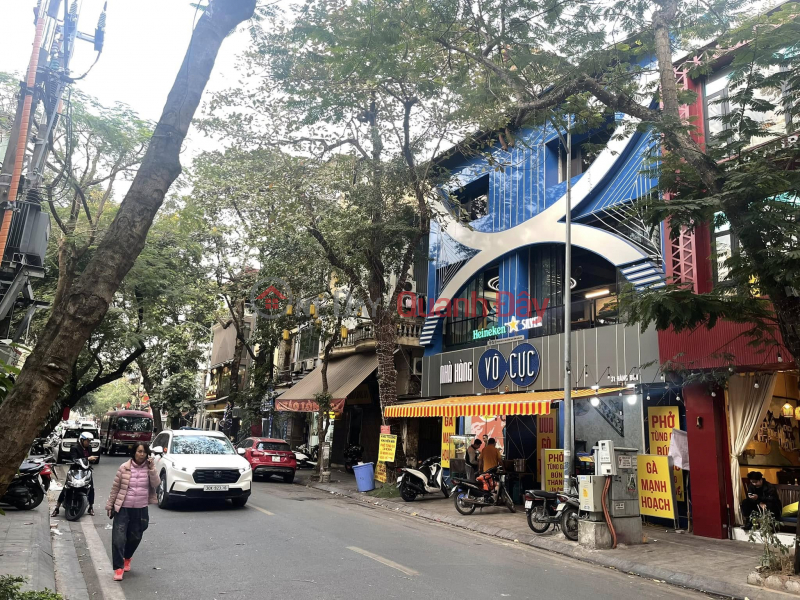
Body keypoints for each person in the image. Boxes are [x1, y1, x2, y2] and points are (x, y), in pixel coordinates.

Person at [105, 443, 160, 581]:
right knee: (118, 539)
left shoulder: (149, 469)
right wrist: (110, 505)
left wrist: (152, 468)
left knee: (136, 536)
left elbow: (156, 484)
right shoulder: (124, 468)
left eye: (144, 452)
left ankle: (127, 557)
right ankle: (118, 568)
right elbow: (115, 488)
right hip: (123, 508)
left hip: (140, 509)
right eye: (139, 451)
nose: (141, 454)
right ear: (134, 452)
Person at [52, 431, 98, 517]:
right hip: (75, 470)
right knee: (66, 487)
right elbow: (74, 459)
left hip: (86, 471)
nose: (88, 443)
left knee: (91, 488)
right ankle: (57, 508)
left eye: (89, 441)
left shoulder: (89, 448)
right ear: (81, 440)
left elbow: (88, 461)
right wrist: (88, 458)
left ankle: (91, 507)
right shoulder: (74, 448)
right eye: (87, 441)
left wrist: (91, 460)